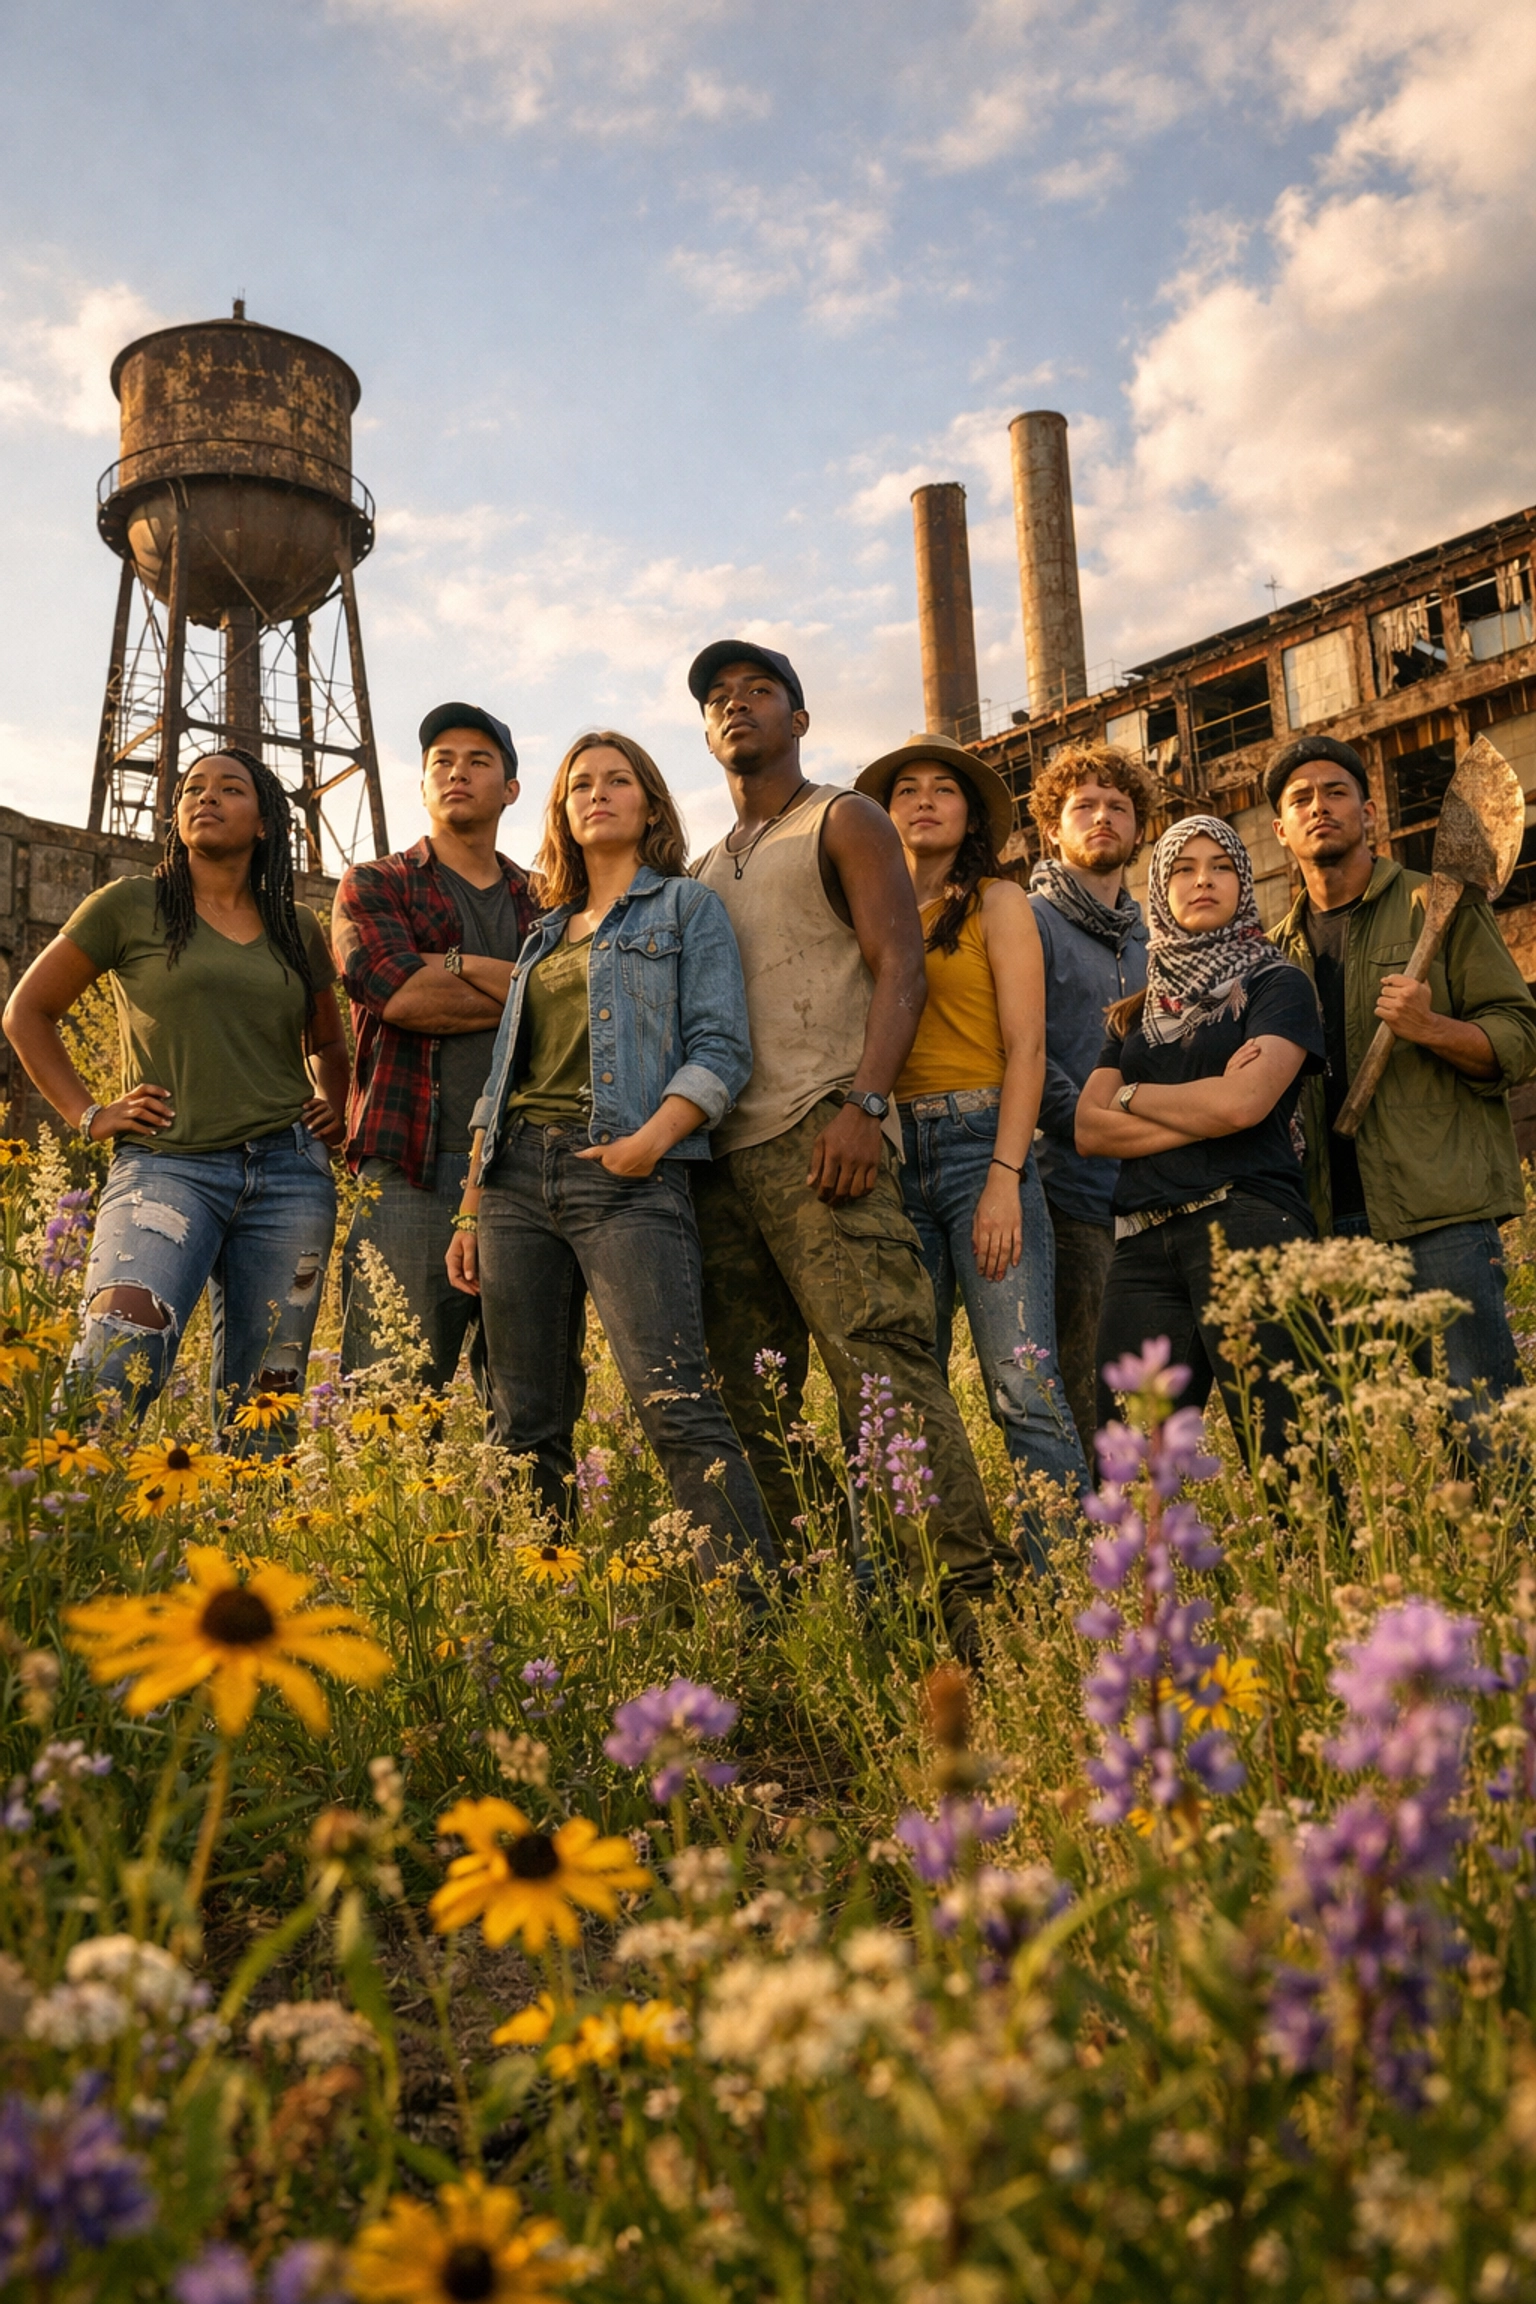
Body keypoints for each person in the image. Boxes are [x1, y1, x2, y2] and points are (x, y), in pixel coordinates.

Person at [686, 641, 1011, 1656]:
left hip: (825, 1134)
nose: (737, 707)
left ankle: (975, 1619)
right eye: (719, 699)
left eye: (760, 693)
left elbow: (899, 963)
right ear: (705, 733)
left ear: (800, 718)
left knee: (881, 1377)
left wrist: (867, 1105)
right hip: (727, 1162)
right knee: (753, 1401)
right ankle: (851, 1602)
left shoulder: (844, 817)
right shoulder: (704, 868)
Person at [446, 729, 778, 1597]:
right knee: (524, 1420)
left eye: (618, 781)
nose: (598, 794)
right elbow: (503, 1077)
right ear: (560, 810)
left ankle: (755, 1618)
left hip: (625, 1175)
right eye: (581, 783)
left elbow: (720, 1048)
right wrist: (473, 1201)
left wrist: (649, 1143)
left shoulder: (683, 910)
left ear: (649, 804)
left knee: (677, 1409)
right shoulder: (541, 936)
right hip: (516, 1180)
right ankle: (536, 1614)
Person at [2, 749, 347, 1437]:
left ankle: (246, 1535)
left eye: (228, 788)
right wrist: (89, 1114)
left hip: (289, 1178)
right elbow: (25, 1012)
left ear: (266, 824)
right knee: (117, 1350)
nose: (205, 797)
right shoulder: (130, 905)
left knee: (268, 1395)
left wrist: (332, 1106)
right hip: (165, 1166)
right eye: (192, 789)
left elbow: (329, 1045)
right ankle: (58, 1526)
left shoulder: (297, 926)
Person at [855, 732, 1088, 1559]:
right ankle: (916, 1589)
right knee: (893, 1393)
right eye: (906, 788)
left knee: (1022, 1382)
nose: (923, 799)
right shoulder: (863, 917)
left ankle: (1066, 1591)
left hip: (977, 1143)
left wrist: (1003, 1177)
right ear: (881, 817)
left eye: (942, 789)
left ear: (969, 815)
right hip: (882, 1159)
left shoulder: (997, 901)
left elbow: (1029, 1047)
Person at [1268, 734, 1536, 1413]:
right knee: (1386, 1456)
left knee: (1481, 1423)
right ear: (1280, 831)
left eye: (1336, 792)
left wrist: (1432, 1027)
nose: (1319, 807)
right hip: (1331, 1229)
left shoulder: (1436, 907)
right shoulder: (1273, 955)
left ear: (1370, 811)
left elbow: (1521, 1036)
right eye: (1301, 799)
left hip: (1438, 1216)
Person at [1076, 815, 1325, 1466]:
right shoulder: (1135, 1014)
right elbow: (1087, 1127)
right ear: (1159, 888)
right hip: (1142, 1248)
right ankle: (1150, 1574)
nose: (1202, 880)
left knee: (1288, 1456)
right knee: (1128, 1466)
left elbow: (1246, 1104)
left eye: (1220, 866)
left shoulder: (1278, 985)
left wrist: (1132, 1097)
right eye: (1182, 868)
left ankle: (1319, 1571)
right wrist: (1203, 1103)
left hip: (1248, 1226)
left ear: (1243, 881)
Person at [332, 704, 536, 1397]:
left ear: (511, 788)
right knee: (387, 1397)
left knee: (527, 1403)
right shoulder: (377, 883)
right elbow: (399, 997)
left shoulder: (547, 901)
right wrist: (523, 994)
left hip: (525, 1168)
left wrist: (443, 963)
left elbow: (575, 1013)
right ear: (422, 787)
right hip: (409, 1169)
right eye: (441, 762)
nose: (457, 772)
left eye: (479, 761)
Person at [1026, 741, 1153, 1462]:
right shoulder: (1034, 920)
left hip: (1146, 1190)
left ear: (1138, 830)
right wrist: (1093, 1125)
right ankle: (1088, 1535)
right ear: (1053, 828)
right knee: (1082, 1378)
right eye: (1084, 807)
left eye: (1118, 807)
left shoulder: (1149, 938)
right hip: (1068, 1191)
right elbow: (1027, 1049)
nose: (1102, 818)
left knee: (1149, 1380)